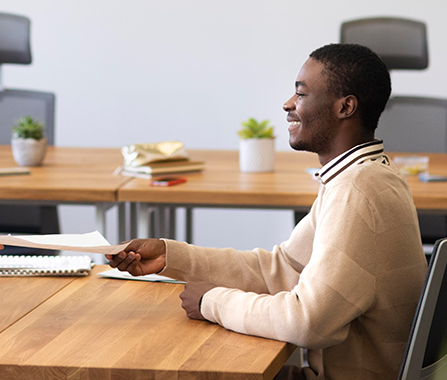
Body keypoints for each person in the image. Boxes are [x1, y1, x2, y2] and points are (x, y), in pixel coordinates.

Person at [107, 44, 427, 380]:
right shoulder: (365, 175)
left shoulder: (356, 191)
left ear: (344, 107)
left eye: (300, 94)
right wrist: (171, 256)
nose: (288, 104)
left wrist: (212, 302)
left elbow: (308, 322)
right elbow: (282, 268)